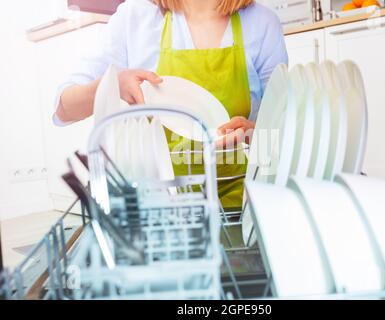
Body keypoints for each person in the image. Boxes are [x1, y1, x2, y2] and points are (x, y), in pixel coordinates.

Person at [54, 0, 288, 211]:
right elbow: (64, 108)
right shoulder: (134, 19)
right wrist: (112, 84)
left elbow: (283, 130)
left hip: (242, 204)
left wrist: (254, 132)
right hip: (157, 205)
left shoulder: (262, 24)